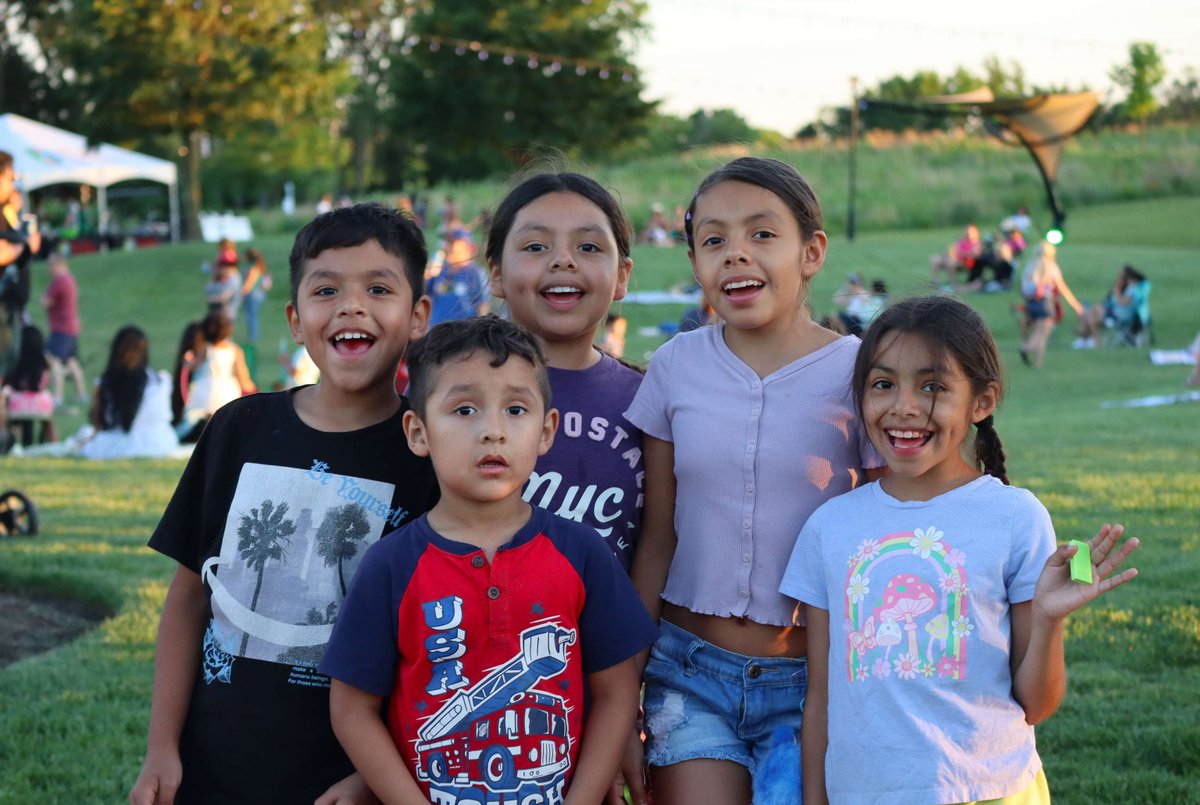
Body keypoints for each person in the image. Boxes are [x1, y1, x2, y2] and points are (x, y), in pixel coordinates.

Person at [129, 202, 441, 805]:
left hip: (343, 777)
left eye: (379, 288)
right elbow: (190, 597)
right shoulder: (237, 427)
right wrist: (161, 747)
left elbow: (431, 651)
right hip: (211, 766)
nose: (352, 306)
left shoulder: (429, 453)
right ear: (297, 320)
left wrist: (372, 779)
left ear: (417, 315)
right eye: (327, 290)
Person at [780, 295, 1141, 804]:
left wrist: (1049, 620)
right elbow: (820, 699)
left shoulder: (1016, 517)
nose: (903, 406)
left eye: (932, 387)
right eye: (883, 384)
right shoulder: (829, 527)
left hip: (990, 789)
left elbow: (1036, 704)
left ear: (982, 401)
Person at [625, 157, 884, 805]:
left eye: (762, 234)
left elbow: (886, 539)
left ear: (812, 251)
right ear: (694, 262)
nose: (736, 254)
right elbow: (657, 539)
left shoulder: (861, 374)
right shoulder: (675, 365)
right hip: (688, 674)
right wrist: (622, 692)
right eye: (714, 240)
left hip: (814, 678)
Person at [320, 315, 657, 804]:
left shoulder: (582, 554)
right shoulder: (391, 565)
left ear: (546, 432)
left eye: (516, 409)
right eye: (464, 410)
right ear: (418, 432)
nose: (493, 431)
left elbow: (616, 692)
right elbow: (351, 710)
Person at [485, 171, 644, 574]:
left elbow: (657, 550)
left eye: (588, 246)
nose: (562, 260)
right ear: (497, 273)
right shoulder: (450, 392)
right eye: (536, 246)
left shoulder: (650, 401)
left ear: (622, 275)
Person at [80, 325, 179, 460]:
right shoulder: (160, 381)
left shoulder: (104, 383)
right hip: (161, 442)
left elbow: (98, 421)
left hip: (115, 444)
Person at [177, 310, 256, 442]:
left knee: (196, 418)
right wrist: (253, 388)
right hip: (227, 393)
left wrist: (187, 362)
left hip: (204, 391)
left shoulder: (205, 348)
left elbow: (192, 367)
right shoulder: (235, 350)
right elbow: (243, 377)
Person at [1, 151, 42, 377]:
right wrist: (24, 246)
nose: (12, 184)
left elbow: (16, 261)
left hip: (11, 308)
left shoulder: (6, 213)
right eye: (9, 177)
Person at [1019, 241, 1083, 368]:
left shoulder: (1030, 266)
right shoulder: (1051, 267)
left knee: (1038, 331)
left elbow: (1024, 288)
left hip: (1031, 303)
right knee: (1043, 333)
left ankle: (1038, 364)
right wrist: (1076, 305)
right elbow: (1062, 288)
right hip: (1046, 303)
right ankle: (1026, 347)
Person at [40, 253, 87, 405]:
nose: (49, 269)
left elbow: (46, 302)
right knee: (71, 362)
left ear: (59, 264)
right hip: (71, 327)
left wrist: (44, 299)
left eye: (51, 265)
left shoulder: (59, 281)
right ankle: (82, 394)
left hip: (61, 328)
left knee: (53, 361)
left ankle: (57, 396)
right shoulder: (70, 279)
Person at [2, 324, 55, 446]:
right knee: (46, 420)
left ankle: (12, 441)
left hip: (17, 403)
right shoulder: (43, 362)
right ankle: (54, 443)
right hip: (40, 404)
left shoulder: (16, 361)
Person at [1075, 264, 1150, 349]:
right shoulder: (1130, 288)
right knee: (1090, 315)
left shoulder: (1133, 288)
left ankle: (1087, 337)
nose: (1119, 277)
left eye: (1122, 276)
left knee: (1093, 312)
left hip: (1122, 316)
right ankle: (1089, 339)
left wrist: (1116, 292)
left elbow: (1123, 303)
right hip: (1116, 313)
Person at [426, 227, 489, 325]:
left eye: (452, 243)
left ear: (466, 247)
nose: (447, 247)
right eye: (447, 243)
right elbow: (425, 293)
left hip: (463, 333)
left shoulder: (475, 273)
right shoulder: (438, 268)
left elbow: (482, 305)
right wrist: (425, 275)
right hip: (437, 332)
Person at [930, 224, 981, 289]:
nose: (967, 233)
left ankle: (953, 285)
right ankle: (936, 282)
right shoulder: (961, 241)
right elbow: (951, 250)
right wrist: (945, 255)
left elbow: (974, 255)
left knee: (950, 263)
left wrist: (959, 253)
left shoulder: (976, 243)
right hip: (953, 258)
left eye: (969, 231)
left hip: (963, 262)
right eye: (966, 231)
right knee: (935, 259)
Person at [239, 247, 273, 345]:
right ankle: (253, 336)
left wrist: (242, 293)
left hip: (253, 295)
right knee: (252, 315)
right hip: (259, 295)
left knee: (251, 316)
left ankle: (252, 337)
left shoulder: (253, 268)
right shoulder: (260, 266)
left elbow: (249, 283)